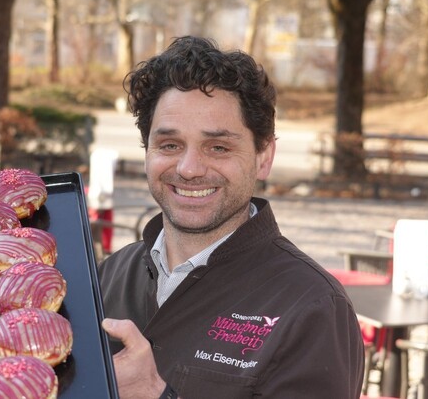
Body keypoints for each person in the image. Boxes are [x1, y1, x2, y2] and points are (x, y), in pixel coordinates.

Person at [97, 36, 364, 398]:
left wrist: (153, 394)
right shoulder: (107, 276)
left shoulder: (311, 307)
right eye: (170, 145)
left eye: (218, 147)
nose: (189, 169)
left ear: (263, 156)